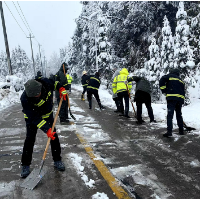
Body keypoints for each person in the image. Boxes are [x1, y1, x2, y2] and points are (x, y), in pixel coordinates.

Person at [20, 77, 68, 178]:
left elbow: (55, 82)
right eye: (33, 97)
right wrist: (47, 129)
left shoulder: (45, 82)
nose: (36, 98)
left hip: (48, 116)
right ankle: (25, 165)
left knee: (54, 137)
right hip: (32, 119)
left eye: (37, 95)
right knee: (30, 139)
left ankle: (57, 160)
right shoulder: (24, 98)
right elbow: (34, 118)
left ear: (40, 89)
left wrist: (61, 89)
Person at [159, 68, 185, 137]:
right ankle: (181, 131)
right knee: (179, 115)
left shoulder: (169, 76)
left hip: (172, 98)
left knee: (170, 115)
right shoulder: (181, 80)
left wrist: (164, 91)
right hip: (180, 99)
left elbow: (161, 80)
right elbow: (183, 90)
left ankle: (169, 131)